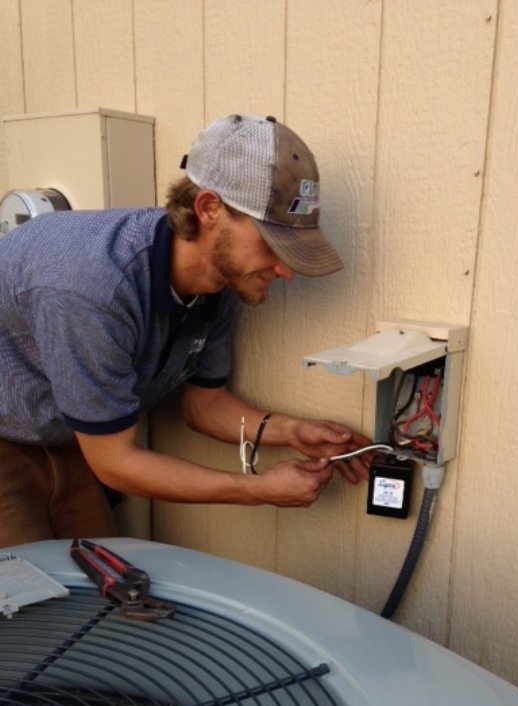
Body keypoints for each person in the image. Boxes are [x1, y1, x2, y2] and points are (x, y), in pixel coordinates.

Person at [0, 113, 371, 547]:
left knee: (101, 584)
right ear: (209, 208)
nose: (285, 269)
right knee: (26, 604)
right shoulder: (91, 287)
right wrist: (257, 491)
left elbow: (204, 404)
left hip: (72, 440)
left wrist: (292, 432)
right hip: (13, 440)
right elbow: (116, 464)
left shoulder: (223, 279)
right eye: (272, 243)